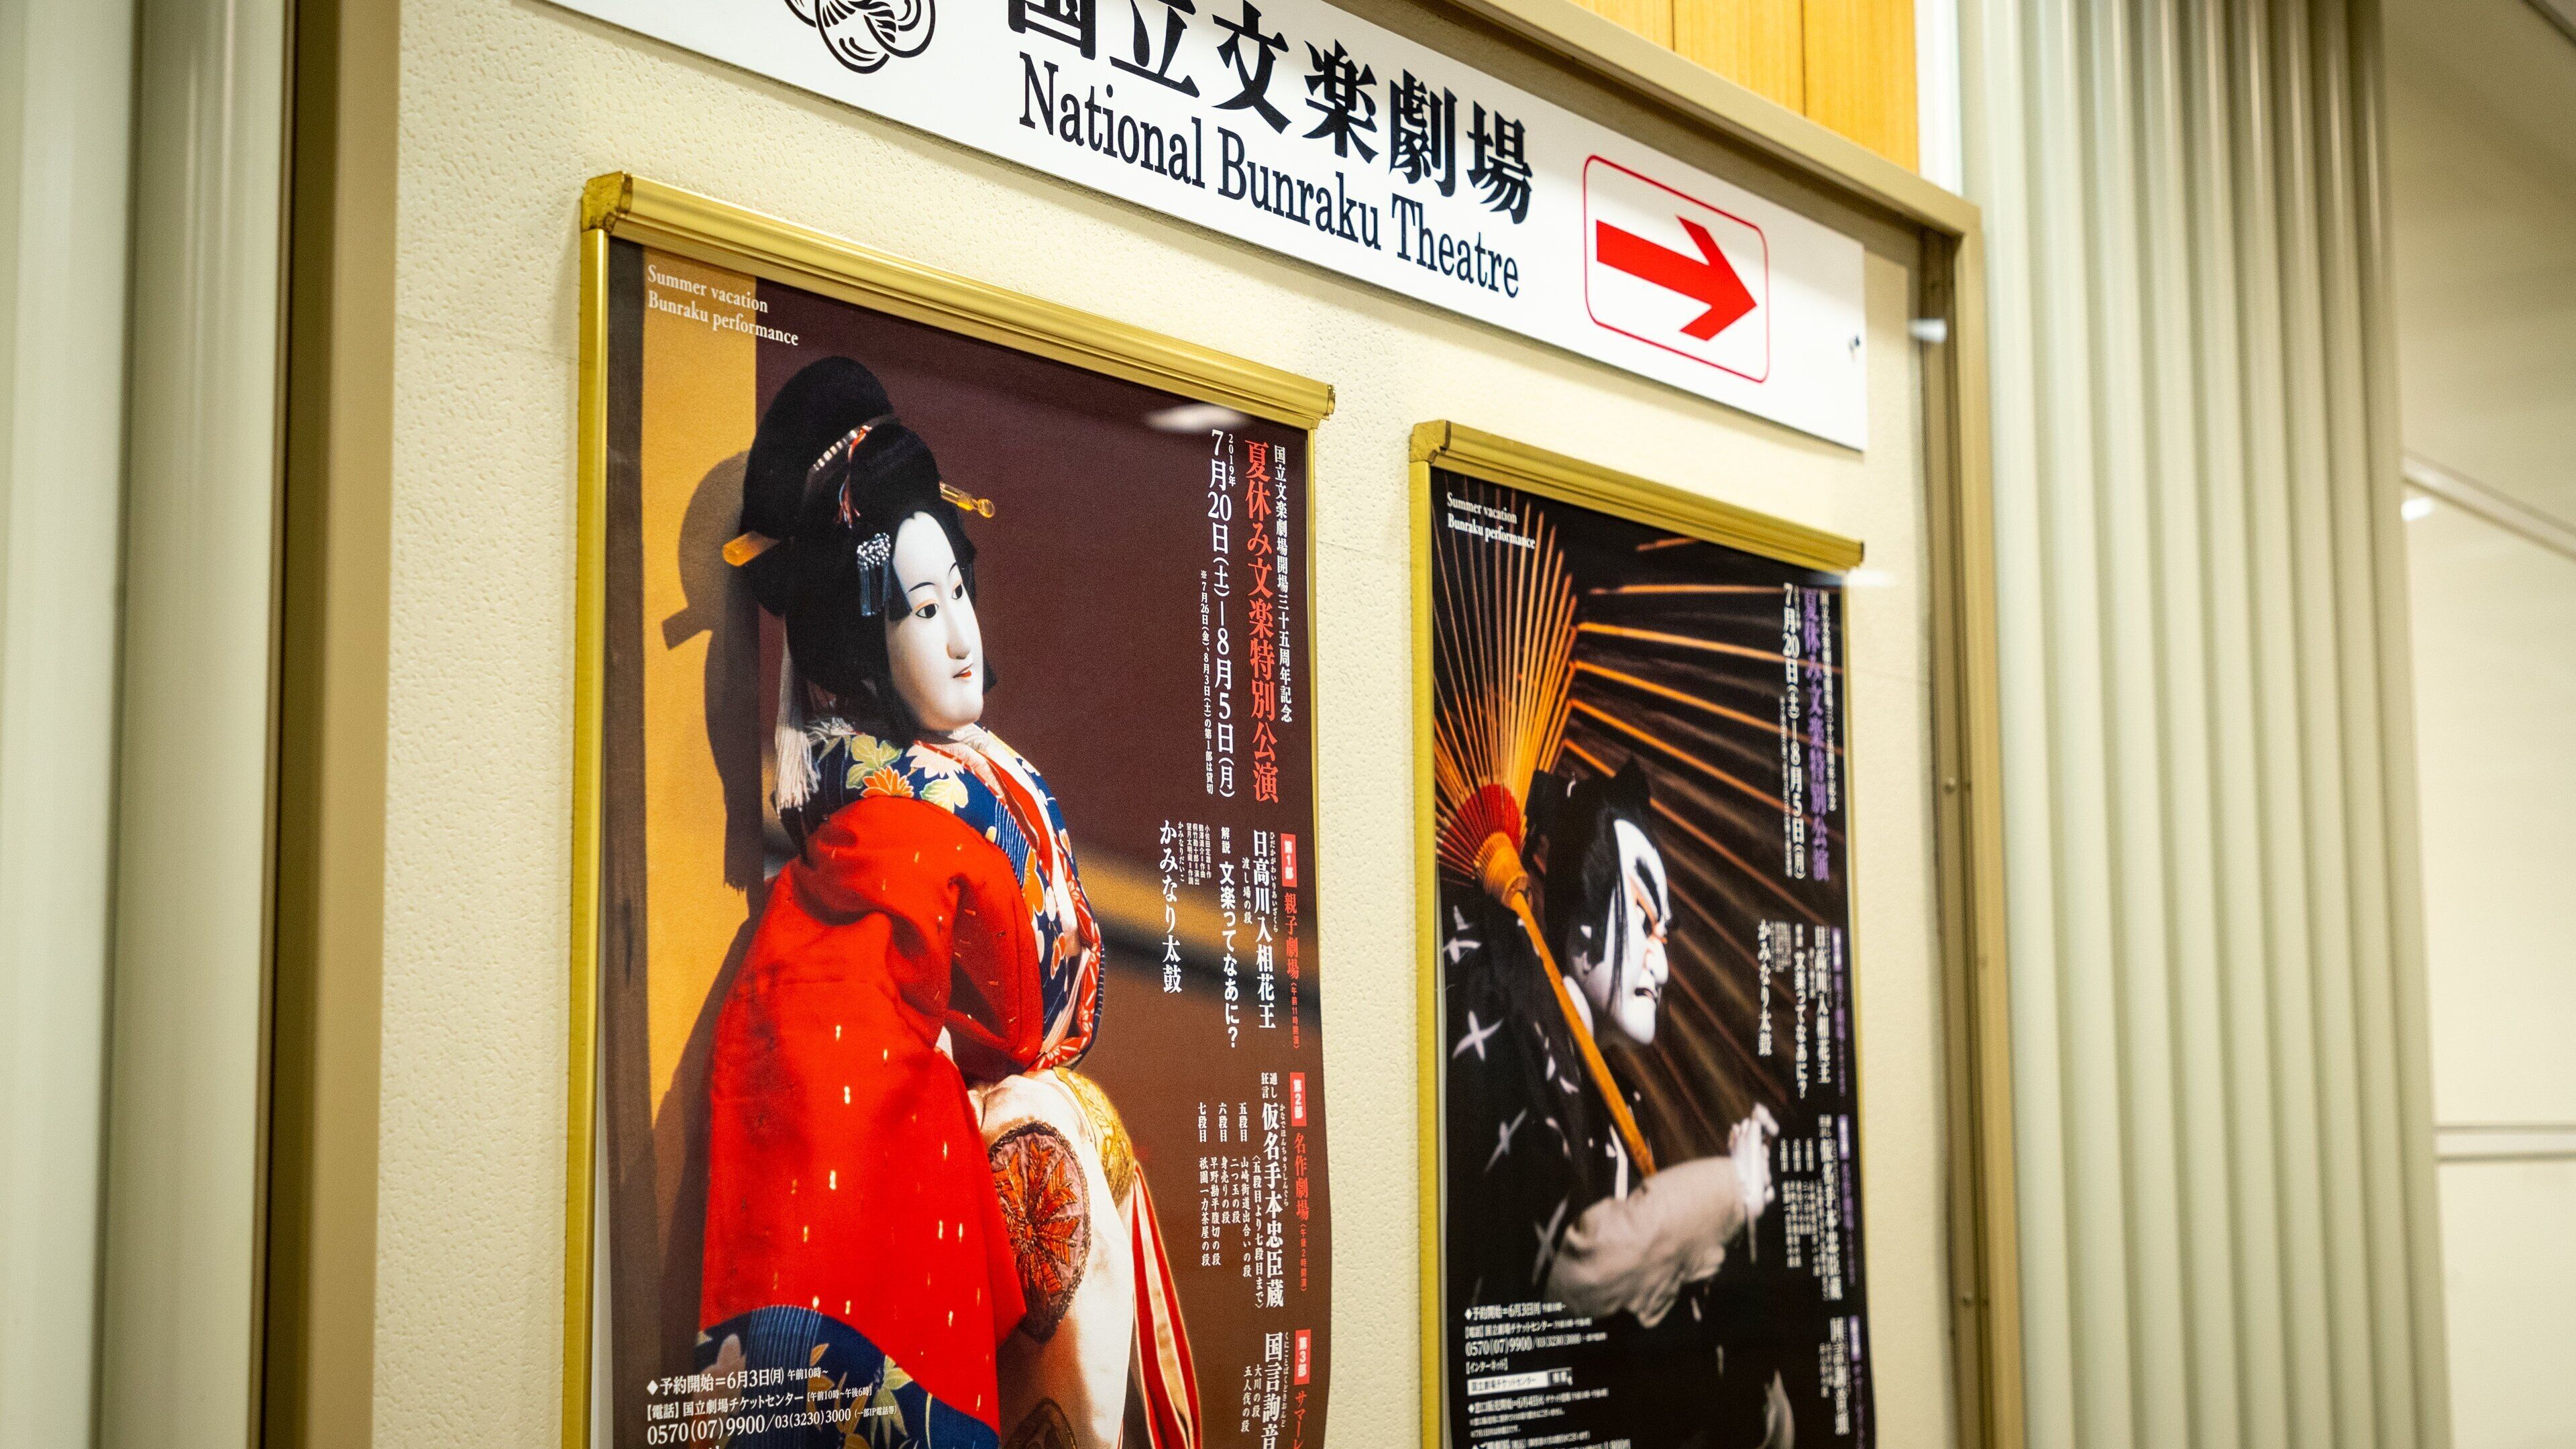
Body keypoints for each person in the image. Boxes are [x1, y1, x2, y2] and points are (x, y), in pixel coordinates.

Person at [698, 358, 1192, 1449]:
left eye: (957, 592)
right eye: (922, 609)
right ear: (859, 642)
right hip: (988, 1156)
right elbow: (916, 1040)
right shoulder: (886, 815)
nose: (960, 633)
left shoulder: (959, 765)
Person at [1442, 763, 1793, 1449]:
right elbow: (1577, 1271)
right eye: (1643, 921)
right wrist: (1729, 1190)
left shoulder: (1614, 1095)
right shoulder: (1510, 1006)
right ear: (1575, 924)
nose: (1661, 966)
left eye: (1667, 938)